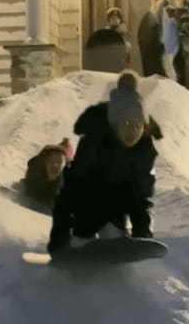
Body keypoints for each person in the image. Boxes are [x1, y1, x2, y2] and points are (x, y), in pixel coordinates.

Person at [48, 71, 162, 254]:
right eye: (125, 124)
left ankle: (112, 234)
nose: (132, 131)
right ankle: (83, 238)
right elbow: (69, 193)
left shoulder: (144, 151)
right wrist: (59, 241)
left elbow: (142, 196)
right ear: (115, 124)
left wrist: (143, 236)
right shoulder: (94, 144)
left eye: (137, 125)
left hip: (119, 203)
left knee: (115, 226)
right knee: (85, 226)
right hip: (88, 199)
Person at [20, 137, 74, 211]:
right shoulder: (36, 170)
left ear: (65, 165)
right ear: (45, 162)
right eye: (52, 161)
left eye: (59, 162)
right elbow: (28, 187)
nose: (55, 165)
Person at [84, 7, 132, 73]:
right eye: (112, 18)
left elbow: (126, 60)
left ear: (120, 20)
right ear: (108, 20)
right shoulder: (103, 35)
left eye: (117, 18)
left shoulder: (125, 40)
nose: (115, 20)